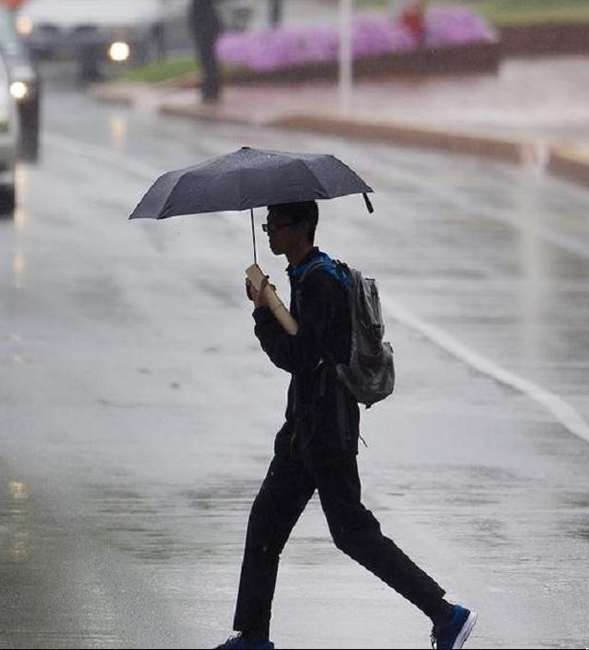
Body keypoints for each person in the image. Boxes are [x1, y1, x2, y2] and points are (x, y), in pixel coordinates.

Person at [215, 201, 477, 650]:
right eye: (268, 225)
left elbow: (300, 357)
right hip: (304, 431)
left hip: (326, 434)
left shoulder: (320, 282)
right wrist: (270, 305)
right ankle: (253, 637)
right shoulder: (307, 276)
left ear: (302, 228)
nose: (270, 232)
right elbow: (303, 351)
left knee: (353, 534)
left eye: (276, 225)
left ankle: (446, 613)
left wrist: (262, 312)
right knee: (265, 527)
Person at [188, 0, 223, 104]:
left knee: (207, 63)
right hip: (208, 31)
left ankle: (210, 91)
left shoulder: (199, 4)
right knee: (210, 62)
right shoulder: (205, 4)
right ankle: (211, 90)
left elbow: (196, 18)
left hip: (204, 32)